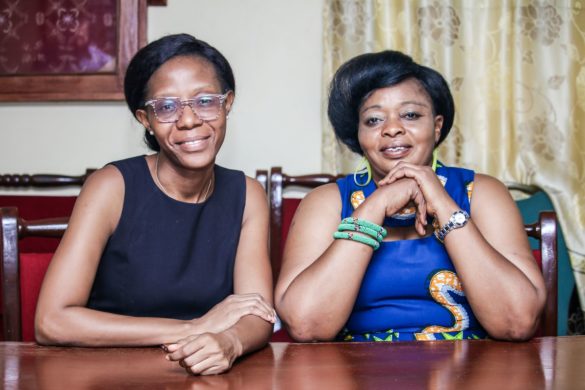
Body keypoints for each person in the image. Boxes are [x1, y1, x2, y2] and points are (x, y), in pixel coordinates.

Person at [35, 33, 275, 375]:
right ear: (144, 119)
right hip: (107, 375)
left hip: (204, 375)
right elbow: (52, 321)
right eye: (166, 107)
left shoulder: (248, 194)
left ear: (227, 103)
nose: (189, 120)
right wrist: (195, 328)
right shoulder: (111, 186)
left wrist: (231, 342)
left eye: (205, 100)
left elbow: (257, 313)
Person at [275, 50, 546, 342]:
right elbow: (306, 326)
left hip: (470, 372)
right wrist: (376, 205)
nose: (392, 129)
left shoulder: (482, 193)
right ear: (359, 134)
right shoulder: (326, 202)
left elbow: (518, 322)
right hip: (352, 374)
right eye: (374, 120)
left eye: (411, 115)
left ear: (437, 125)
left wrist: (442, 203)